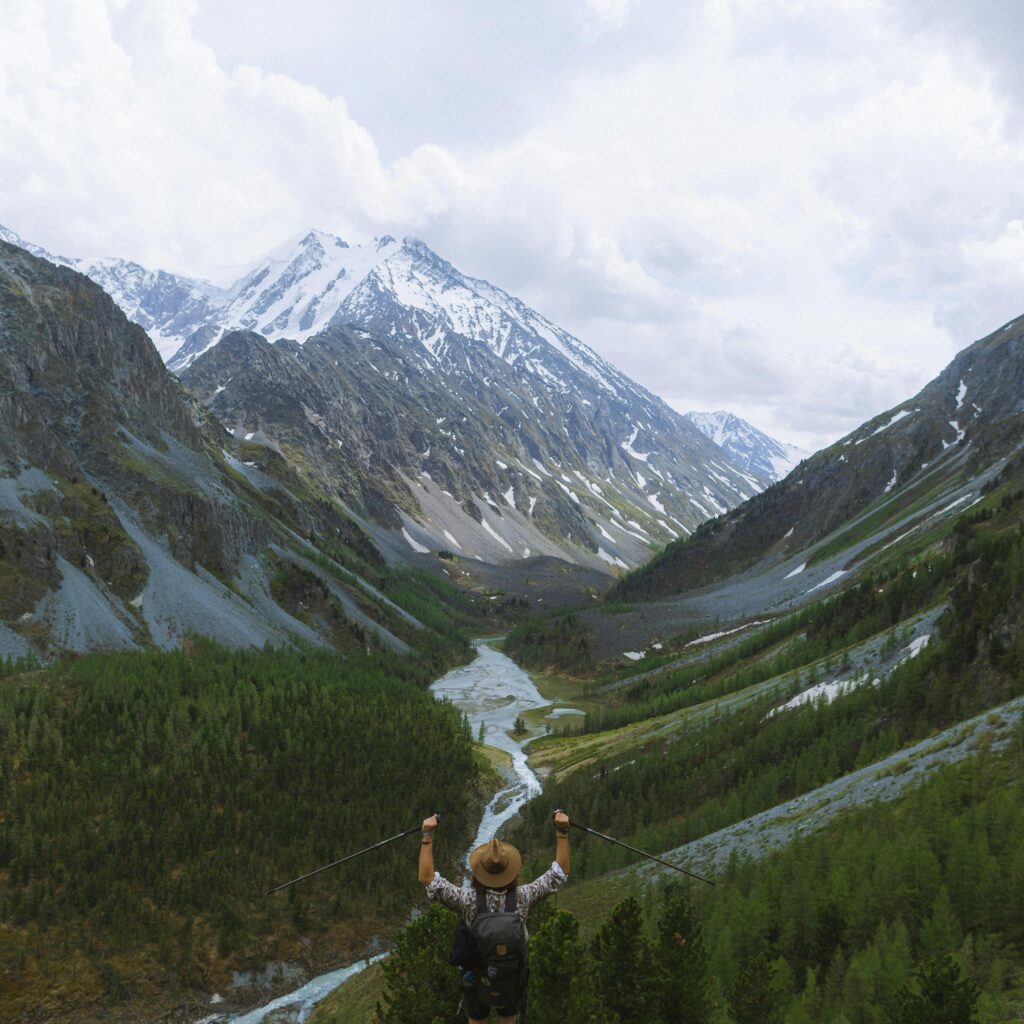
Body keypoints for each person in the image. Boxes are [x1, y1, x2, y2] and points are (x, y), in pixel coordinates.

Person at [419, 810, 570, 1023]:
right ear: (511, 871)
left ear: (479, 871)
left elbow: (427, 879)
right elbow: (559, 873)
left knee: (477, 1020)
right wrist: (562, 832)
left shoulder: (467, 899)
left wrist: (427, 836)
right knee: (507, 1019)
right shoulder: (522, 897)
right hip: (511, 973)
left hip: (476, 974)